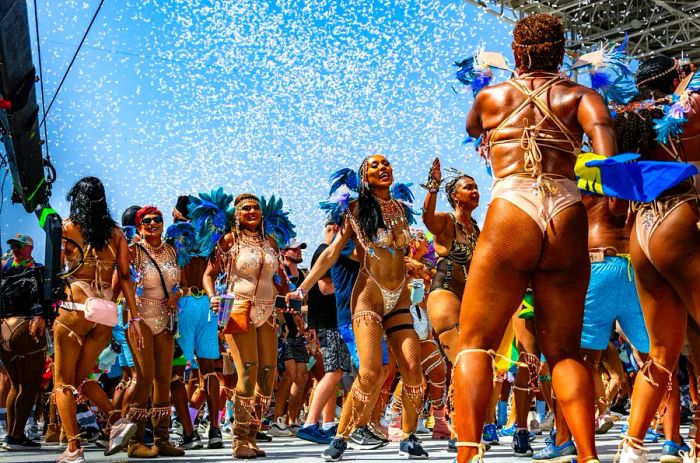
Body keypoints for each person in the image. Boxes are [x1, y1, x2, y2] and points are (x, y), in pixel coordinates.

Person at [452, 13, 616, 463]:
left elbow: (472, 129)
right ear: (562, 52)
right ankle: (587, 455)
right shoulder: (583, 96)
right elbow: (608, 156)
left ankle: (468, 455)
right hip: (566, 210)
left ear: (517, 52)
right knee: (564, 351)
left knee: (475, 343)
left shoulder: (491, 96)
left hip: (512, 207)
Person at [288, 154, 428, 461]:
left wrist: (413, 264)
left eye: (387, 163)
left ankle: (408, 436)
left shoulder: (403, 211)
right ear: (364, 177)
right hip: (368, 296)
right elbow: (331, 253)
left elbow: (397, 252)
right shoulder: (355, 209)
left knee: (413, 370)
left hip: (400, 298)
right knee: (369, 371)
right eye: (375, 165)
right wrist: (303, 288)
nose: (383, 168)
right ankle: (341, 437)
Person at [614, 56, 700, 463]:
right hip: (681, 217)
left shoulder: (632, 121)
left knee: (662, 354)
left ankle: (631, 449)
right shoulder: (687, 110)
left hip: (642, 232)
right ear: (678, 78)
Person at [55, 177, 139, 463]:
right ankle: (116, 419)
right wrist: (135, 318)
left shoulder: (66, 228)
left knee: (63, 383)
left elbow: (54, 270)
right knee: (82, 378)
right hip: (104, 313)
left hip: (74, 307)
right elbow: (126, 277)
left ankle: (73, 448)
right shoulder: (116, 233)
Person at [203, 193, 288, 459]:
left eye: (256, 208)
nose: (252, 211)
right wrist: (213, 297)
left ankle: (252, 434)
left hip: (268, 311)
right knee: (248, 371)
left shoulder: (270, 242)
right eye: (246, 209)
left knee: (268, 374)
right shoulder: (230, 241)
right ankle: (238, 438)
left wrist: (288, 294)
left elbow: (278, 280)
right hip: (238, 308)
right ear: (236, 214)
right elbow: (209, 274)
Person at [126, 206, 184, 458]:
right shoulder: (133, 252)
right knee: (145, 377)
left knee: (164, 379)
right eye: (146, 221)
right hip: (141, 319)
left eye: (156, 220)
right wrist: (133, 317)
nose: (152, 224)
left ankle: (162, 439)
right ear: (138, 226)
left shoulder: (171, 251)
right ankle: (135, 441)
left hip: (166, 319)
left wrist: (178, 294)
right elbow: (124, 284)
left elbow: (178, 283)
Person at [168, 196, 222, 450]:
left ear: (178, 215)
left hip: (185, 304)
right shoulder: (212, 236)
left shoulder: (174, 238)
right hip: (208, 306)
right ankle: (215, 431)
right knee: (209, 369)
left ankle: (189, 433)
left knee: (176, 373)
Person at [297, 222, 352, 445]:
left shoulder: (331, 252)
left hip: (331, 323)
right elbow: (325, 288)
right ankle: (310, 424)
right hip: (330, 323)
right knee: (334, 372)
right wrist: (353, 284)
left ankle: (328, 424)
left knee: (334, 373)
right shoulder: (324, 251)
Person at [0, 234, 50, 449]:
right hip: (24, 332)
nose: (15, 249)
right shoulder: (38, 271)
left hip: (4, 333)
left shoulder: (8, 269)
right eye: (13, 246)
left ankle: (13, 436)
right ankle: (16, 436)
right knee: (28, 387)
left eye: (19, 246)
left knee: (16, 386)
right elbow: (45, 301)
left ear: (30, 247)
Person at [271, 239, 309, 436]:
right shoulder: (279, 272)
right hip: (284, 330)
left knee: (302, 375)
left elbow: (307, 302)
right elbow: (275, 301)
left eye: (300, 249)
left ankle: (292, 419)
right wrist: (284, 322)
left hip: (299, 331)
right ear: (285, 252)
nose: (298, 252)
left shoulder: (303, 274)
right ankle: (277, 419)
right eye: (294, 249)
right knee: (289, 373)